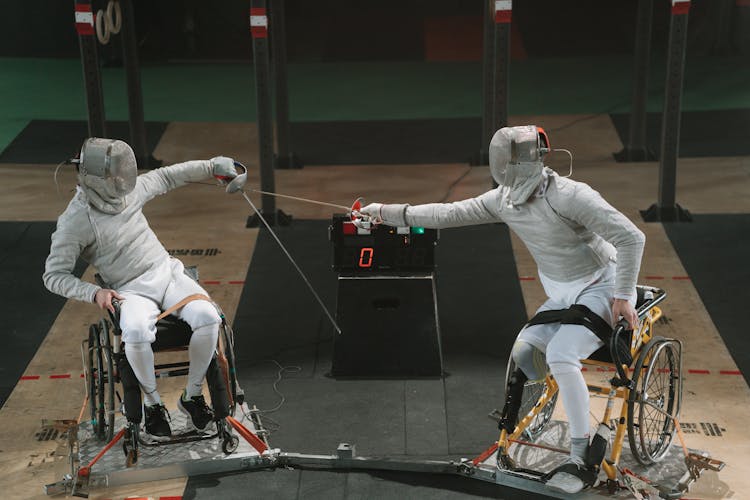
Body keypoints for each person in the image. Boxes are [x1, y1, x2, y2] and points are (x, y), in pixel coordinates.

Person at [358, 125, 644, 494]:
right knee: (525, 350)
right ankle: (533, 421)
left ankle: (581, 453)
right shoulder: (504, 200)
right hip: (562, 293)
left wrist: (623, 295)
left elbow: (631, 237)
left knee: (560, 354)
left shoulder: (571, 196)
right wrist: (384, 212)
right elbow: (448, 213)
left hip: (601, 286)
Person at [43, 138, 237, 439]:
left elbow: (168, 176)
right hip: (129, 290)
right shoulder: (75, 221)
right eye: (115, 175)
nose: (123, 181)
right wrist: (94, 293)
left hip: (166, 273)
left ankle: (192, 396)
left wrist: (212, 166)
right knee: (133, 331)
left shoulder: (127, 191)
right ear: (96, 179)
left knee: (208, 316)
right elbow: (53, 275)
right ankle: (153, 404)